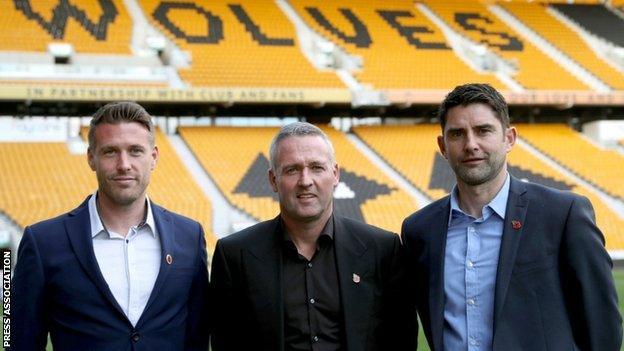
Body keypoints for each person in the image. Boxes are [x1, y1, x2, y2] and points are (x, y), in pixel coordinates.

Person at [401, 83, 622, 351]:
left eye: (483, 130)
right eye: (457, 134)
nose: (471, 144)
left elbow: (603, 328)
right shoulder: (420, 230)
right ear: (443, 145)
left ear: (509, 139)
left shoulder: (563, 214)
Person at [11, 102, 210, 351]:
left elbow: (198, 337)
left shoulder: (189, 236)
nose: (124, 164)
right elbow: (19, 341)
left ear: (154, 157)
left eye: (135, 151)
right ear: (91, 158)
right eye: (110, 151)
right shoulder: (42, 242)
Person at [210, 122, 415, 351]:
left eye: (317, 167)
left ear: (335, 174)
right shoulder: (235, 256)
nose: (305, 180)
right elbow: (225, 343)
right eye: (292, 169)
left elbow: (401, 340)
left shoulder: (383, 250)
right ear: (273, 180)